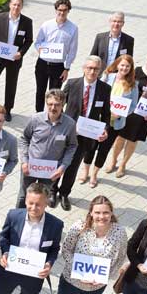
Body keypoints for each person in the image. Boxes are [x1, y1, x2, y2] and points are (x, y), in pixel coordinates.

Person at [44, 195, 127, 294]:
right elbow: (66, 250)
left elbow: (121, 257)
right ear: (91, 213)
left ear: (111, 213)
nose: (102, 216)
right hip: (71, 280)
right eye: (97, 212)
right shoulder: (79, 227)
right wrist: (79, 272)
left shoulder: (119, 232)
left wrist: (105, 277)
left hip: (96, 286)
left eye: (106, 212)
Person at [54, 56, 111, 204]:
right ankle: (52, 191)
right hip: (66, 133)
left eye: (96, 69)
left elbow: (106, 113)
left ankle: (64, 193)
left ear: (100, 70)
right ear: (84, 68)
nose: (92, 71)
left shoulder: (105, 89)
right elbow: (58, 105)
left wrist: (105, 129)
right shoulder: (72, 84)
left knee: (73, 167)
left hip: (86, 136)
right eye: (90, 68)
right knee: (59, 162)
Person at [110, 48, 147, 175]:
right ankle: (113, 161)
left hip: (144, 113)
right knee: (120, 137)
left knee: (133, 140)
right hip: (130, 110)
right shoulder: (136, 71)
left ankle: (123, 165)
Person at [17, 89, 77, 209]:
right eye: (50, 104)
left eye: (57, 105)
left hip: (50, 171)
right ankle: (18, 218)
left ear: (63, 105)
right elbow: (24, 139)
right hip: (30, 167)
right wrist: (24, 161)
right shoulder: (35, 119)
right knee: (23, 197)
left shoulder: (70, 124)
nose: (53, 108)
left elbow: (72, 146)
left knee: (42, 199)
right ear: (46, 103)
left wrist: (63, 167)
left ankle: (37, 219)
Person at [34, 0, 78, 112]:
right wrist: (40, 50)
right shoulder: (47, 25)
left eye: (65, 10)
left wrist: (67, 68)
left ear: (68, 11)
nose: (62, 13)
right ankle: (38, 114)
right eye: (60, 10)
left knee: (54, 94)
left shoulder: (73, 28)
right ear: (56, 10)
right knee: (40, 91)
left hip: (58, 66)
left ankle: (52, 115)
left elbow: (72, 50)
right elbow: (37, 42)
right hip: (43, 63)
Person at [100, 55, 140, 178]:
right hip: (102, 118)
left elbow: (133, 105)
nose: (124, 68)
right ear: (117, 65)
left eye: (128, 66)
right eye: (122, 65)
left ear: (131, 68)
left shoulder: (133, 84)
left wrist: (121, 113)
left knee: (108, 146)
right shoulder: (108, 77)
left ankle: (114, 163)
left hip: (117, 121)